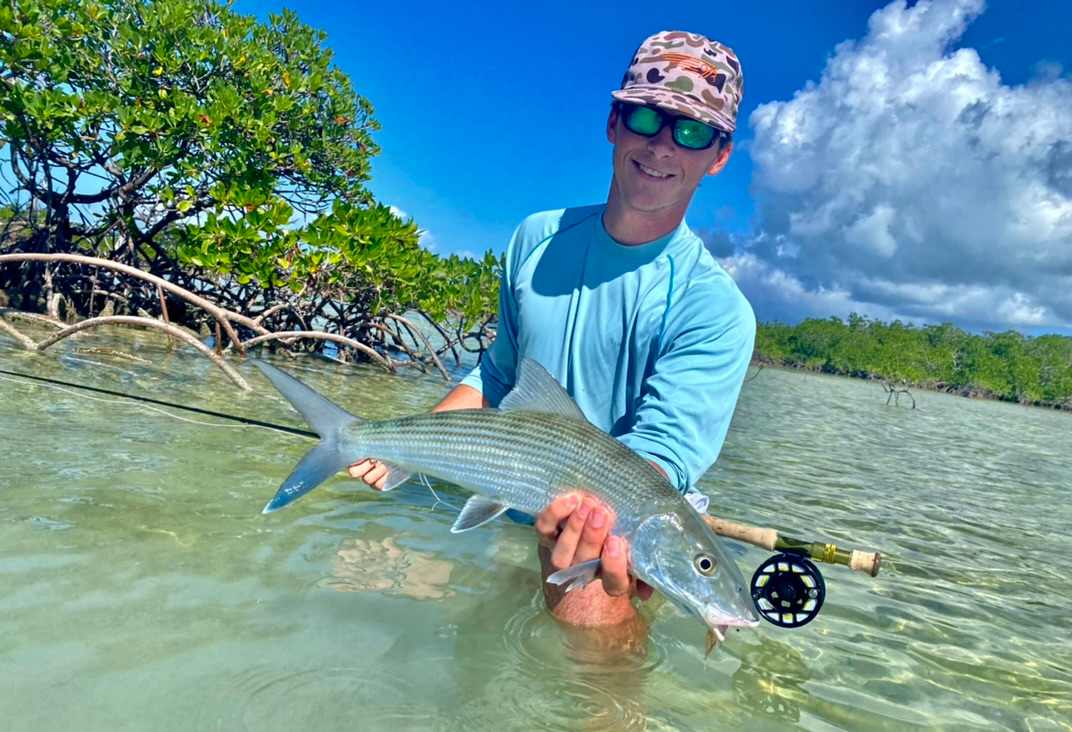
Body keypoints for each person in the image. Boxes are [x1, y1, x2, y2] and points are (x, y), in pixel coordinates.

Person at [350, 30, 755, 629]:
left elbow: (661, 458)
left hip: (604, 520)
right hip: (503, 492)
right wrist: (407, 446)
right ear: (614, 122)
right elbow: (499, 373)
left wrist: (594, 524)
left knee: (595, 679)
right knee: (354, 576)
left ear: (718, 156)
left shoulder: (716, 309)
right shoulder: (535, 239)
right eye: (647, 117)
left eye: (691, 132)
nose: (664, 147)